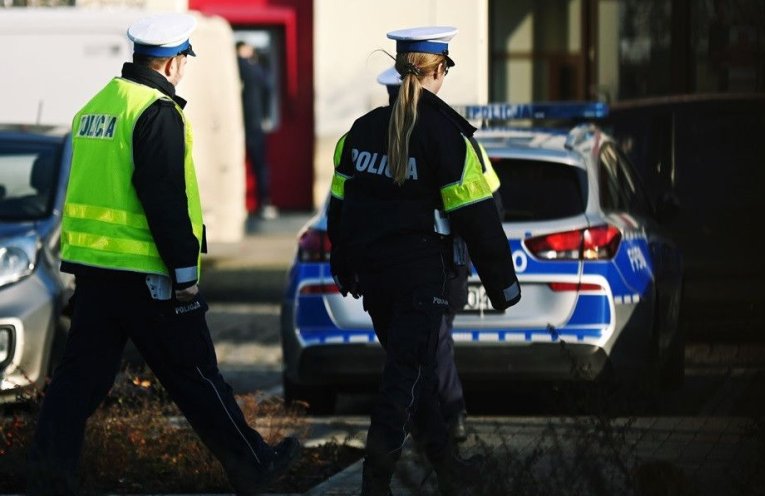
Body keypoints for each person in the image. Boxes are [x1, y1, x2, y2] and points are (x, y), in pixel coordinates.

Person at [27, 14, 300, 495]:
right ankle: (254, 467)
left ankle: (49, 473)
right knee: (197, 376)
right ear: (174, 63)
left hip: (96, 273)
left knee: (78, 381)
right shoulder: (156, 111)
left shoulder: (96, 106)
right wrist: (183, 272)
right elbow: (165, 198)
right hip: (148, 274)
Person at [328, 26, 521, 496]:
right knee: (403, 383)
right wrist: (504, 286)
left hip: (376, 280)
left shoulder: (359, 132)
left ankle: (449, 470)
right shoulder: (448, 137)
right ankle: (375, 482)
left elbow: (341, 208)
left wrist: (344, 264)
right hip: (420, 279)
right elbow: (478, 219)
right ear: (438, 72)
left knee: (416, 378)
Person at [375, 66, 505, 442]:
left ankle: (443, 418)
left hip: (427, 265)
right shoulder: (450, 136)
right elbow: (492, 205)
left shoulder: (372, 136)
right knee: (424, 345)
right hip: (431, 264)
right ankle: (438, 425)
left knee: (427, 342)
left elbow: (486, 203)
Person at [236, 40, 278, 220]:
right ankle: (264, 202)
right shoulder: (253, 68)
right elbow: (269, 88)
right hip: (254, 122)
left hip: (243, 122)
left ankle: (252, 203)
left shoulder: (240, 67)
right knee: (259, 164)